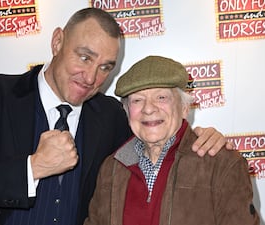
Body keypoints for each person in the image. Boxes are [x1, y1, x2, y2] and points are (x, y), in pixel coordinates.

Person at [0, 8, 231, 225]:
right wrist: (32, 168)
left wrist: (202, 140)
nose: (92, 78)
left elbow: (155, 147)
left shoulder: (110, 115)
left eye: (105, 67)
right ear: (57, 42)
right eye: (84, 57)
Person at [84, 56, 259, 225]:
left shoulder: (222, 164)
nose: (149, 109)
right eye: (137, 100)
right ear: (128, 111)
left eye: (161, 98)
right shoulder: (111, 168)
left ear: (184, 108)